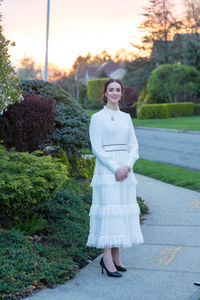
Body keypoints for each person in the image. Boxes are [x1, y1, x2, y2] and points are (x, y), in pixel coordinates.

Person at [86, 78, 144, 277]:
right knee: (110, 213)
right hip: (107, 171)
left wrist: (127, 166)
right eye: (110, 90)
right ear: (104, 93)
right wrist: (115, 168)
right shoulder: (97, 118)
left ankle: (117, 256)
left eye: (117, 90)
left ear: (121, 94)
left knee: (120, 212)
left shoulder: (126, 118)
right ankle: (107, 258)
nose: (114, 93)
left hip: (125, 171)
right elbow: (97, 148)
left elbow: (134, 146)